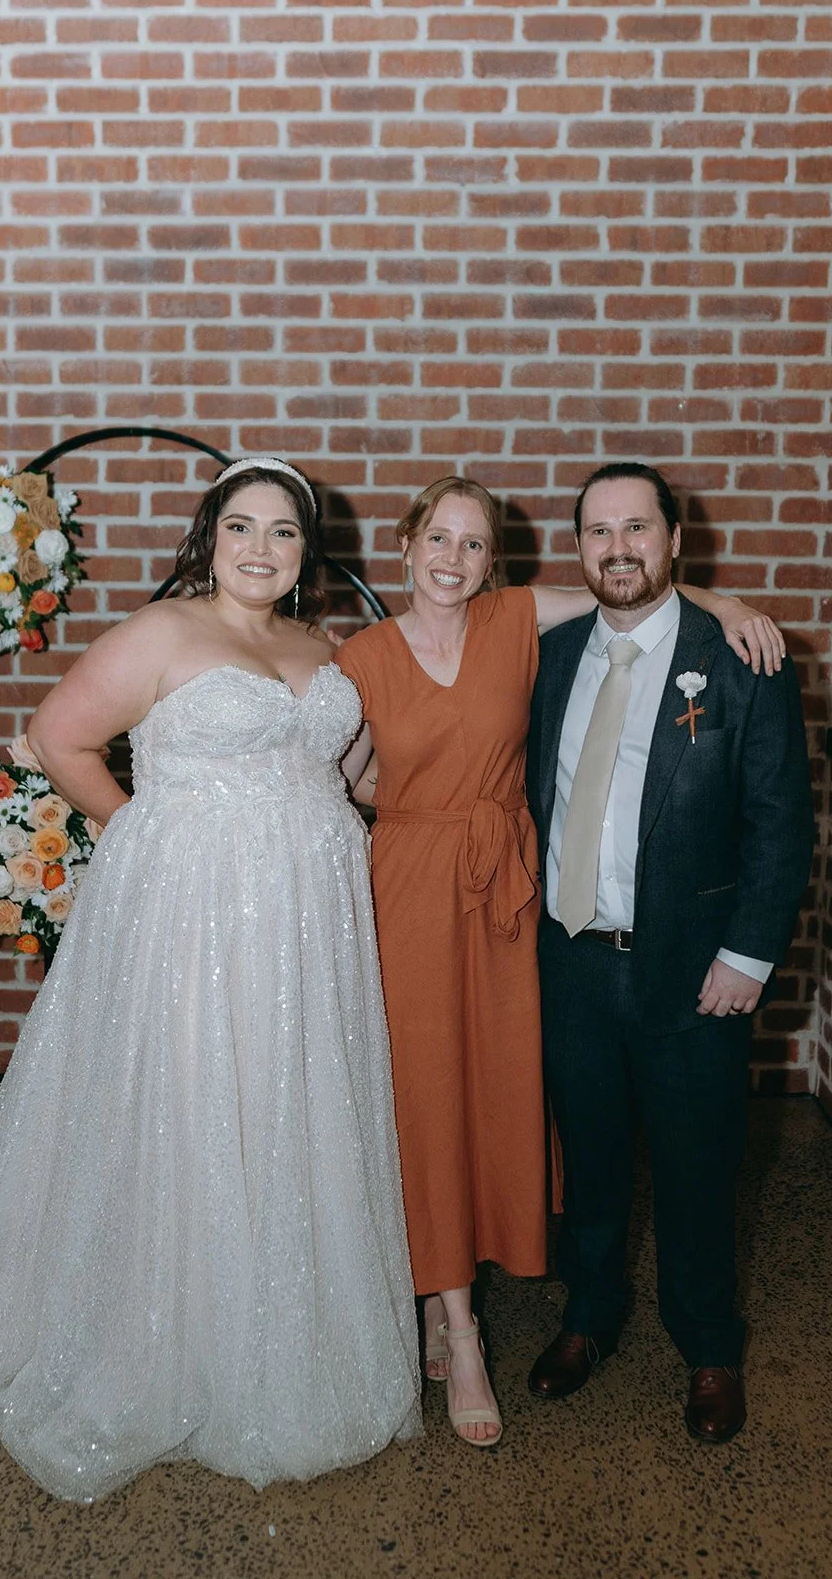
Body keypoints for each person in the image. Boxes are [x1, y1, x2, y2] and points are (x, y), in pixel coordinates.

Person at [0, 458, 421, 1501]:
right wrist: (148, 830)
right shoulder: (164, 630)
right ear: (211, 538)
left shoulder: (318, 645)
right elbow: (56, 736)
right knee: (195, 1098)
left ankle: (270, 1319)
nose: (261, 548)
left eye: (283, 532)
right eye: (240, 526)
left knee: (286, 1101)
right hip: (195, 919)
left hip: (309, 925)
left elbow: (345, 775)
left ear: (306, 551)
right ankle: (160, 1327)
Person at [335, 474, 785, 1449]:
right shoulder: (425, 653)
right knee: (501, 1119)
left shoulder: (576, 629)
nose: (453, 559)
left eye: (474, 544)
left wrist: (736, 603)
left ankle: (689, 1341)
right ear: (408, 543)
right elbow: (346, 772)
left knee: (618, 1133)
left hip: (593, 928)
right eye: (438, 539)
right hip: (484, 916)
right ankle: (520, 1323)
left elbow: (640, 590)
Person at [525, 461, 814, 1443]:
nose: (618, 548)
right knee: (592, 1163)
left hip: (695, 970)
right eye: (599, 531)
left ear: (673, 539)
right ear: (579, 548)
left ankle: (709, 1344)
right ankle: (589, 1314)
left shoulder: (738, 660)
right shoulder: (553, 657)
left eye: (636, 528)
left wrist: (749, 954)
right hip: (571, 959)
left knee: (698, 1168)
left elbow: (781, 825)